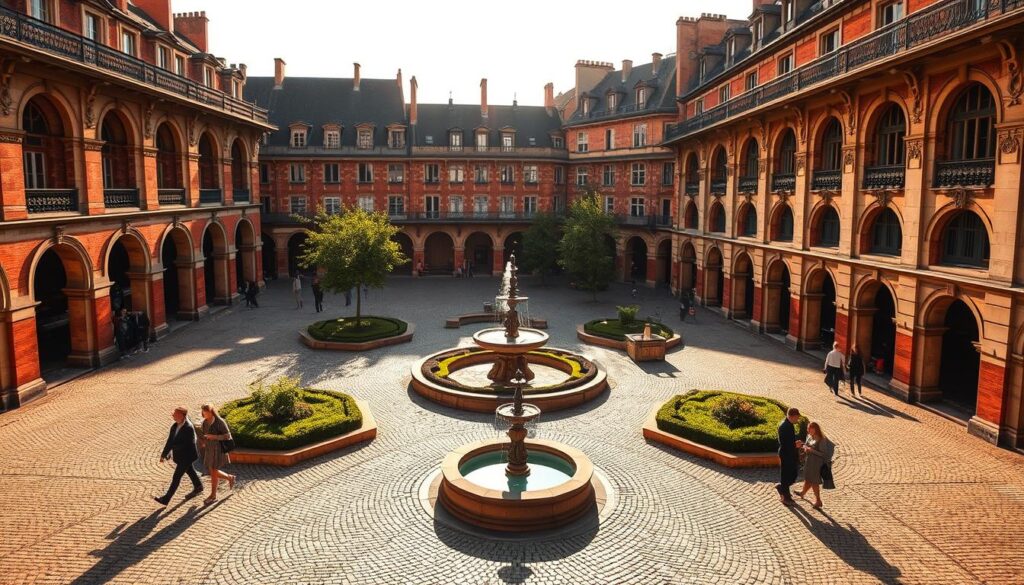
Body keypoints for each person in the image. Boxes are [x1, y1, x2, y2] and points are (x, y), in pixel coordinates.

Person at [154, 406, 202, 506]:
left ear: (182, 415)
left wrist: (172, 448)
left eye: (175, 414)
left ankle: (166, 499)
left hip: (187, 456)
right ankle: (198, 486)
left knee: (176, 477)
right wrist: (164, 454)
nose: (173, 415)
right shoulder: (175, 426)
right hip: (180, 457)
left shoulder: (188, 428)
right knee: (190, 471)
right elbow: (170, 441)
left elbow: (186, 444)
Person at [198, 404, 235, 505]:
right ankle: (230, 477)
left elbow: (228, 436)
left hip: (218, 450)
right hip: (209, 450)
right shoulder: (204, 423)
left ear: (211, 412)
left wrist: (214, 437)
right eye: (203, 412)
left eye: (205, 412)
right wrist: (203, 441)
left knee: (213, 471)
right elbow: (205, 435)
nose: (204, 414)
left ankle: (213, 495)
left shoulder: (220, 422)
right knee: (212, 471)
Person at [798, 421, 835, 510]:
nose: (808, 430)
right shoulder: (809, 437)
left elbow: (823, 454)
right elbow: (807, 447)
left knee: (814, 481)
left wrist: (811, 450)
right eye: (808, 428)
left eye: (810, 428)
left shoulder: (821, 439)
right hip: (809, 462)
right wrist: (803, 447)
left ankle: (818, 501)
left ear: (815, 429)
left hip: (817, 464)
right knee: (808, 479)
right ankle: (802, 493)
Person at [775, 407, 803, 505]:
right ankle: (786, 498)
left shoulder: (789, 424)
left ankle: (782, 488)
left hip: (789, 453)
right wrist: (795, 445)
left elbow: (788, 441)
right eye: (797, 417)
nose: (798, 419)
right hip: (786, 454)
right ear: (792, 416)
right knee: (786, 476)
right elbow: (784, 443)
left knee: (792, 474)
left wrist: (795, 443)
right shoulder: (785, 426)